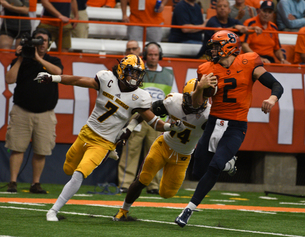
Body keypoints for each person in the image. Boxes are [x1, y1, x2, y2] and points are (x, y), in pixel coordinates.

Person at [36, 54, 185, 221]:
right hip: (87, 132)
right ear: (122, 70)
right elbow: (78, 80)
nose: (135, 77)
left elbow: (152, 121)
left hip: (104, 142)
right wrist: (53, 77)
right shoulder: (107, 79)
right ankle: (110, 153)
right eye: (132, 72)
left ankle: (53, 210)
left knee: (79, 173)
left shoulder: (140, 96)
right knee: (68, 168)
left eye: (138, 73)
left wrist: (168, 127)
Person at [174, 30, 283, 227]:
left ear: (228, 46)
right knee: (198, 171)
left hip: (236, 125)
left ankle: (188, 209)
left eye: (216, 46)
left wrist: (272, 98)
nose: (213, 50)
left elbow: (276, 85)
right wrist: (200, 87)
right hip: (214, 123)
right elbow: (198, 104)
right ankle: (228, 163)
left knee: (215, 166)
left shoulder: (248, 61)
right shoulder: (206, 68)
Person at [113, 77, 238, 221]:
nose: (195, 103)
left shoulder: (207, 116)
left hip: (183, 156)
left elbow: (220, 139)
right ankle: (124, 210)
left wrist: (226, 160)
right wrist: (130, 127)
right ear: (185, 96)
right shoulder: (173, 101)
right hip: (163, 145)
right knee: (143, 179)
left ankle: (228, 164)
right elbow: (145, 111)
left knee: (167, 193)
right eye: (191, 98)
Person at [5, 28, 63, 194]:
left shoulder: (53, 60)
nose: (41, 43)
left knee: (41, 150)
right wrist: (22, 57)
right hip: (21, 111)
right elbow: (9, 79)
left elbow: (58, 73)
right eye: (38, 39)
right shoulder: (23, 60)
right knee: (17, 148)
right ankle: (13, 182)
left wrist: (38, 58)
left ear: (49, 43)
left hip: (45, 112)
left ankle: (35, 183)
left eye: (44, 40)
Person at [118, 42, 176, 194]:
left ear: (160, 55)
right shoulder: (137, 71)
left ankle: (153, 185)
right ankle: (125, 183)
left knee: (156, 154)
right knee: (130, 151)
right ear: (145, 55)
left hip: (158, 118)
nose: (153, 57)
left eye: (156, 54)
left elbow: (173, 97)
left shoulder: (169, 74)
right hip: (138, 116)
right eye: (150, 54)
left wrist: (170, 117)